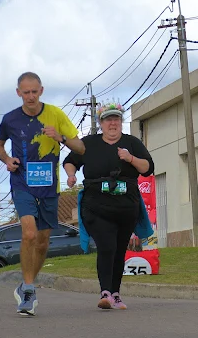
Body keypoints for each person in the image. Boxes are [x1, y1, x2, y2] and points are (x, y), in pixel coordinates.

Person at [0, 71, 85, 315]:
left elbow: (80, 147)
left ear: (41, 91)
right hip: (22, 183)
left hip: (48, 186)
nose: (31, 96)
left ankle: (27, 284)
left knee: (43, 241)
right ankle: (29, 289)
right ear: (18, 93)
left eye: (35, 91)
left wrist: (60, 137)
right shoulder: (10, 119)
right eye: (26, 92)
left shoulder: (55, 114)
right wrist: (7, 159)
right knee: (29, 233)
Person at [63, 102, 154, 310]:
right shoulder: (89, 143)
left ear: (121, 122)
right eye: (108, 120)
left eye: (116, 119)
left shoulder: (132, 142)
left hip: (126, 206)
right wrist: (71, 175)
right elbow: (70, 161)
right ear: (101, 123)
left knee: (119, 250)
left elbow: (148, 168)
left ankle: (115, 294)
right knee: (107, 245)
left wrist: (130, 158)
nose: (112, 123)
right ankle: (105, 292)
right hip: (96, 205)